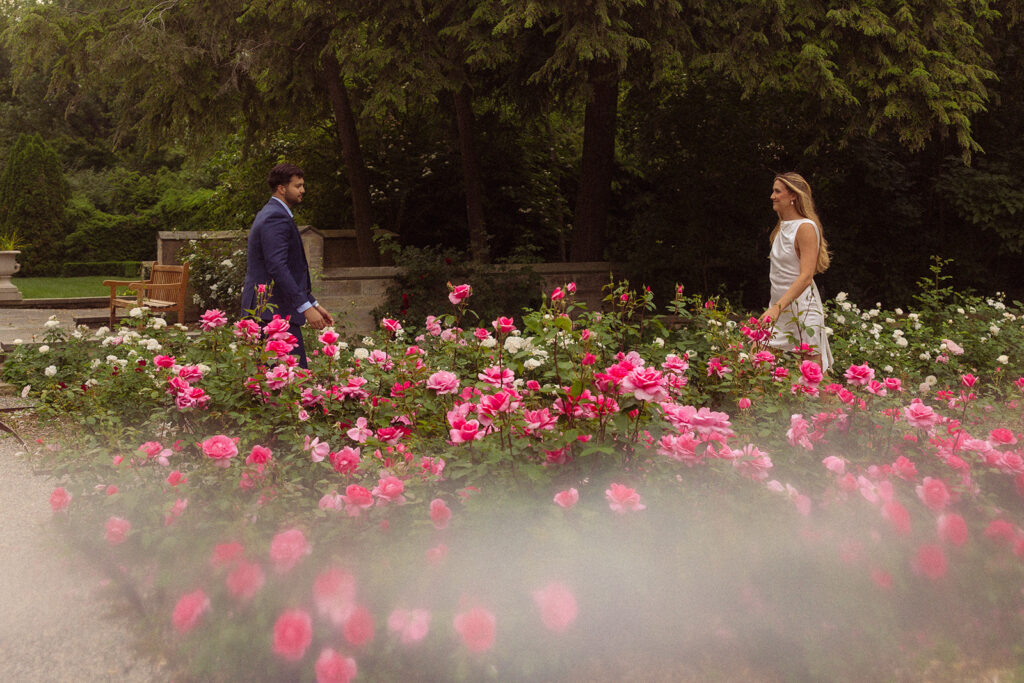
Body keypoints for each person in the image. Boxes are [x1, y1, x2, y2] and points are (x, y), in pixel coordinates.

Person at [242, 162, 334, 368]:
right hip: (271, 313)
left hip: (272, 311)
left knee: (282, 385)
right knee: (290, 383)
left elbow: (288, 270)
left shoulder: (275, 214)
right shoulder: (275, 217)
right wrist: (305, 308)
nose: (303, 190)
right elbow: (277, 267)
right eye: (298, 186)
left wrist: (314, 304)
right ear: (282, 189)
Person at [758, 172, 833, 373]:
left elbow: (806, 277)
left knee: (814, 378)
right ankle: (748, 405)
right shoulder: (781, 227)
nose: (772, 196)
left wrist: (776, 309)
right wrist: (775, 308)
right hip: (779, 308)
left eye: (777, 191)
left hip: (802, 309)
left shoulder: (806, 227)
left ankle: (839, 406)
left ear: (793, 196)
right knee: (756, 366)